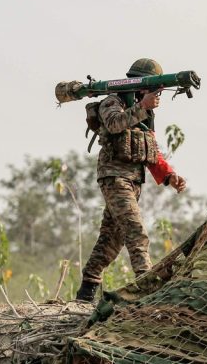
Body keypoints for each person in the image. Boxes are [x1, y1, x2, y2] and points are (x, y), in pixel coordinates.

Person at [75, 58, 188, 302]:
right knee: (136, 233)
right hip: (114, 178)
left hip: (133, 182)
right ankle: (147, 289)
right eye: (153, 90)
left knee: (112, 239)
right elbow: (115, 124)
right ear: (140, 85)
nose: (156, 96)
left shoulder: (146, 113)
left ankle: (86, 291)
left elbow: (151, 151)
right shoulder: (113, 101)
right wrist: (142, 107)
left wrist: (170, 176)